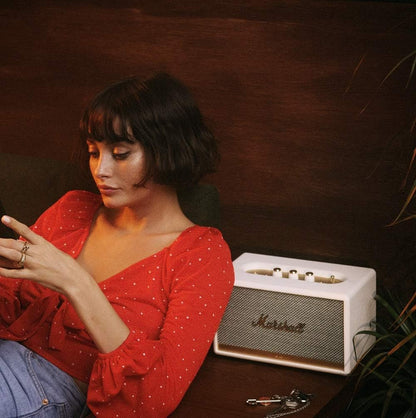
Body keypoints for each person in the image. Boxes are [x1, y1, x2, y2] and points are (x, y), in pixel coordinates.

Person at [0, 72, 234, 417]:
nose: (100, 169)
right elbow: (8, 300)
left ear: (168, 150)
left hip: (43, 388)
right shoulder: (72, 208)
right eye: (94, 152)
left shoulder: (201, 254)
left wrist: (75, 282)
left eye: (121, 154)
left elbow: (157, 396)